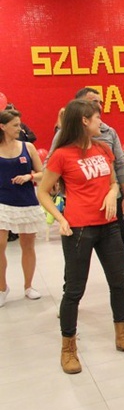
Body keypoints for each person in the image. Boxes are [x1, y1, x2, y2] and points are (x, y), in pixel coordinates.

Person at [38, 99, 124, 375]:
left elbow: (111, 181)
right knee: (74, 290)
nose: (102, 122)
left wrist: (114, 193)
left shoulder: (103, 148)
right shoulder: (62, 155)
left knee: (119, 283)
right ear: (84, 121)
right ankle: (68, 348)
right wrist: (61, 219)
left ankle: (122, 336)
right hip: (78, 228)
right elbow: (43, 191)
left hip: (109, 225)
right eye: (97, 118)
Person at [48, 87, 124, 304]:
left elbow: (120, 164)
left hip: (111, 205)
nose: (99, 106)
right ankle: (70, 296)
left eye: (100, 102)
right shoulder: (63, 137)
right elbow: (50, 168)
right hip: (80, 211)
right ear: (80, 113)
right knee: (75, 262)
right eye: (94, 102)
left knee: (120, 247)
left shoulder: (108, 133)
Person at [0, 109, 46, 307]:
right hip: (2, 201)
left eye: (20, 124)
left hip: (26, 200)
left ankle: (28, 286)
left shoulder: (28, 147)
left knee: (28, 245)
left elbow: (43, 173)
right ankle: (2, 288)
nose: (20, 128)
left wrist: (29, 177)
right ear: (2, 127)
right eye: (15, 125)